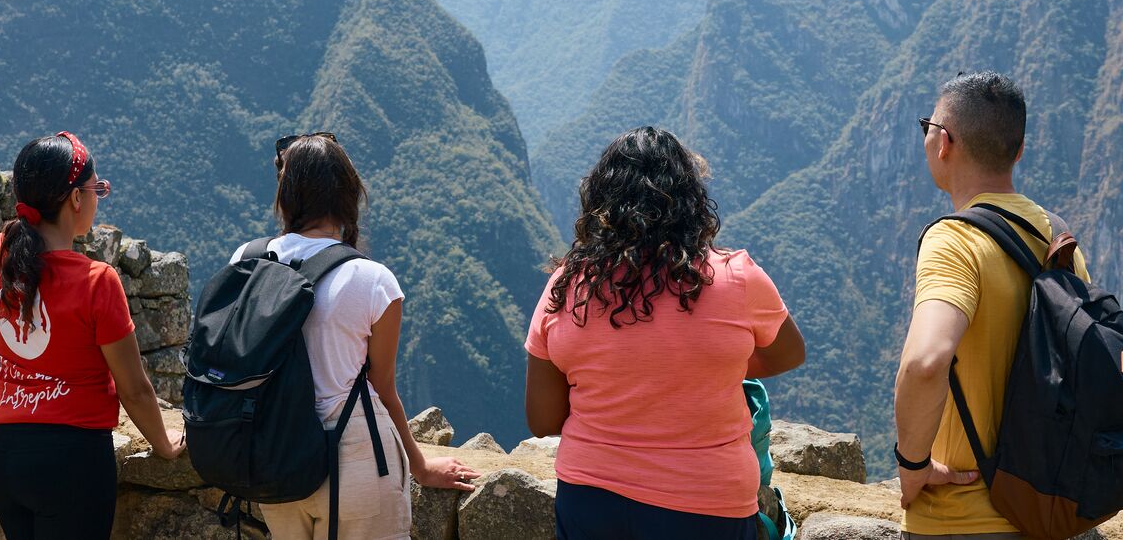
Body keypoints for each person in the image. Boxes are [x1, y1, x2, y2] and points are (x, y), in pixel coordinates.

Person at [524, 127, 807, 540]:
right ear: (691, 200)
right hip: (708, 507)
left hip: (590, 502)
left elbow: (542, 419)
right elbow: (789, 353)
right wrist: (702, 365)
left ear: (601, 203)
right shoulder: (737, 278)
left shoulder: (568, 286)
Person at [236, 133, 481, 540]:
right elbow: (382, 387)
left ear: (286, 194)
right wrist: (419, 467)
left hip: (274, 463)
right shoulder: (373, 280)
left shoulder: (247, 260)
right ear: (348, 196)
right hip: (352, 462)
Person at [0, 132, 184, 540]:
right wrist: (163, 444)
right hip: (73, 466)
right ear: (75, 198)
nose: (97, 198)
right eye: (96, 190)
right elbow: (135, 390)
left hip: (5, 460)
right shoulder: (97, 281)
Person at [893, 73, 1089, 540]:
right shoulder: (1059, 240)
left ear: (944, 142)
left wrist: (913, 467)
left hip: (960, 518)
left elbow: (925, 363)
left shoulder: (954, 241)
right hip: (1046, 509)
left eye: (928, 126)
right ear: (1018, 152)